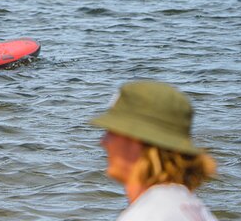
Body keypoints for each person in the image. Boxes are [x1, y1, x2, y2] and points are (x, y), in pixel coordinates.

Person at [90, 80, 218, 221]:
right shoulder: (193, 207)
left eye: (112, 131)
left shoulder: (144, 215)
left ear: (135, 140)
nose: (103, 141)